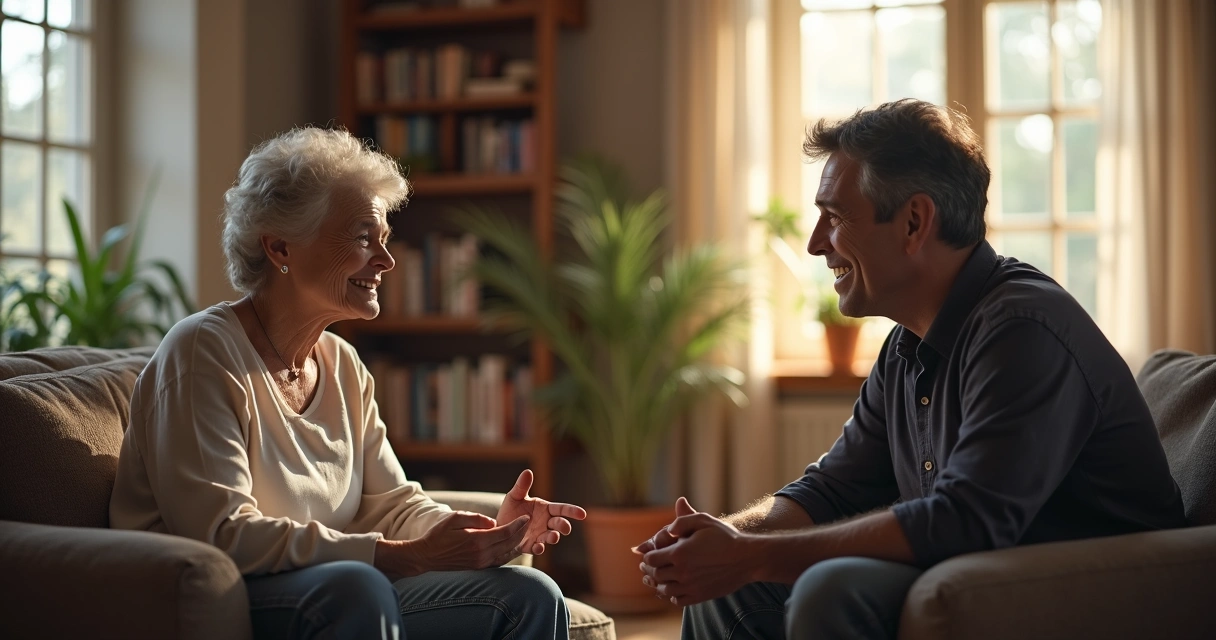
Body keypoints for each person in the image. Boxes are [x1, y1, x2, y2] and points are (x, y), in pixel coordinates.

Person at [634, 99, 1187, 639]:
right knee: (729, 588)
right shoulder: (908, 344)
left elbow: (966, 520)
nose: (815, 244)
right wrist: (721, 540)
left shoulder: (1022, 328)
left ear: (914, 222)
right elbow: (831, 490)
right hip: (982, 573)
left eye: (835, 217)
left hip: (1089, 587)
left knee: (829, 587)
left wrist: (749, 555)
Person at [109, 126, 586, 640]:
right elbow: (221, 534)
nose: (386, 260)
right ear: (280, 248)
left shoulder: (342, 364)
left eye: (384, 240)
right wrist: (400, 557)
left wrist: (486, 530)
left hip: (345, 590)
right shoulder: (202, 352)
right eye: (363, 238)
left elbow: (392, 504)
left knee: (529, 595)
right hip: (231, 597)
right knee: (358, 587)